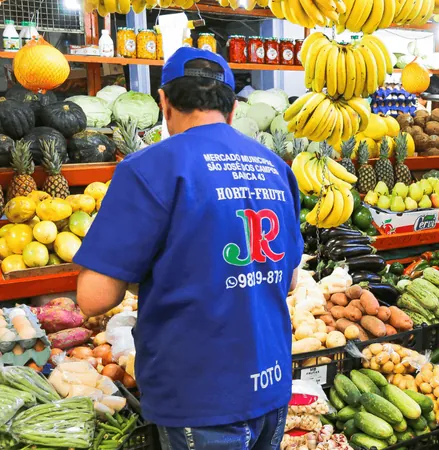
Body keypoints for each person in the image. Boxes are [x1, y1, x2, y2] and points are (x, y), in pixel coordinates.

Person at [74, 47, 304, 450]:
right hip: (271, 380)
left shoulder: (149, 167)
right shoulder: (276, 166)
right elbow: (288, 279)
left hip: (200, 393)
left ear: (164, 102)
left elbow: (93, 299)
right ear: (233, 108)